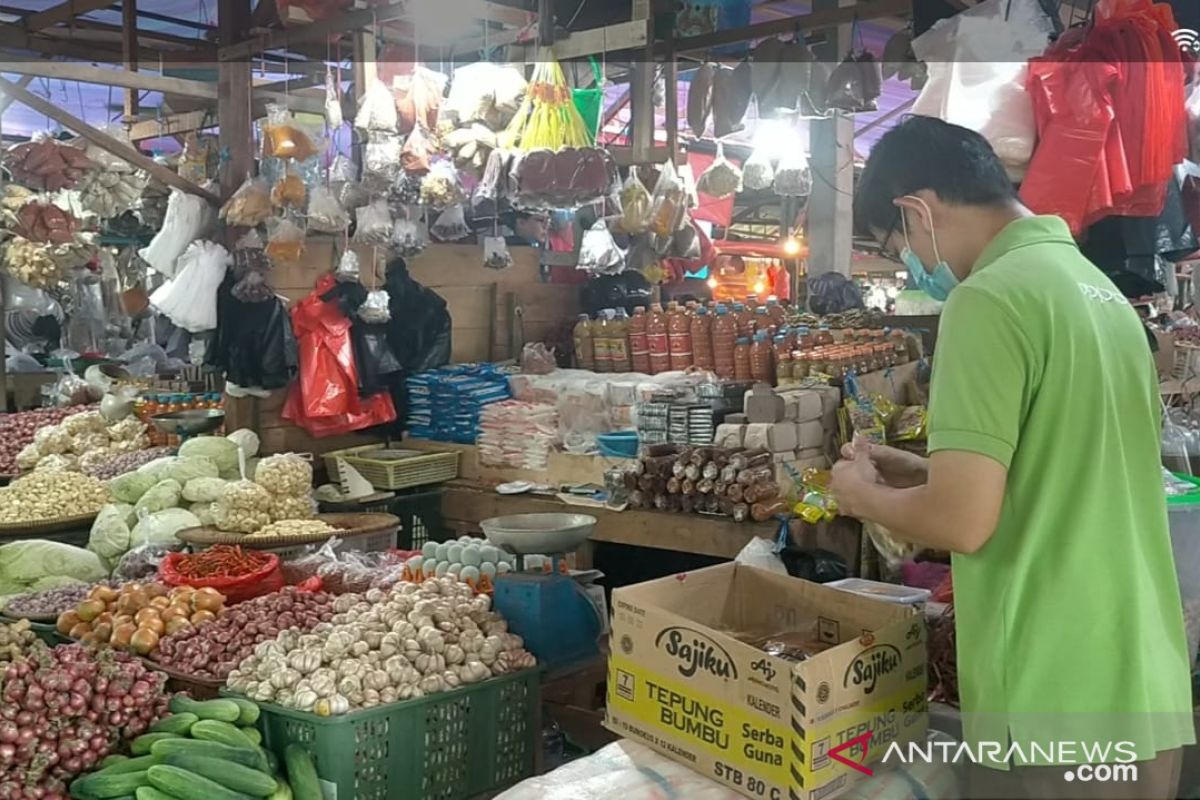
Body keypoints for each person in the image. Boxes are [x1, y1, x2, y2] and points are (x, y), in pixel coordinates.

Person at [832, 116, 1194, 799]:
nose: (908, 261)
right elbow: (1071, 469)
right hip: (1142, 680)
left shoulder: (989, 299)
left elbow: (964, 522)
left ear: (916, 210)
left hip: (1054, 697)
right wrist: (928, 472)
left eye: (895, 244)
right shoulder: (1097, 294)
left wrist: (862, 495)